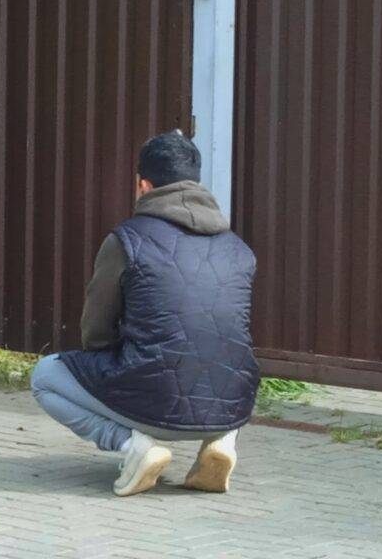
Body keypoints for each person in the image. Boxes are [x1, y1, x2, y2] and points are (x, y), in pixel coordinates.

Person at [31, 130, 259, 497]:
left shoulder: (127, 240)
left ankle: (133, 446)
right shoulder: (239, 249)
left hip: (152, 402)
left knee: (44, 376)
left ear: (143, 185)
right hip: (232, 405)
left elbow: (96, 330)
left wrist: (108, 356)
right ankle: (220, 444)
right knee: (222, 362)